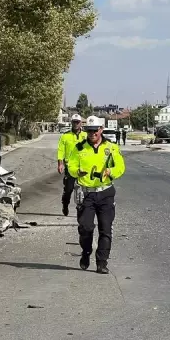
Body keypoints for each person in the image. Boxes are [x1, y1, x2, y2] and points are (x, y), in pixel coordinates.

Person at [67, 118, 126, 275]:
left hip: (105, 193)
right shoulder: (79, 148)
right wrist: (76, 172)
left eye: (95, 130)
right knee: (85, 227)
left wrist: (111, 172)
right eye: (89, 130)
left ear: (101, 129)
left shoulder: (111, 148)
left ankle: (102, 262)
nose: (92, 133)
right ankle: (86, 252)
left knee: (105, 229)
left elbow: (120, 166)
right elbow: (71, 165)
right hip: (86, 194)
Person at [57, 114, 87, 216]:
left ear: (81, 123)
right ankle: (65, 205)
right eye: (74, 122)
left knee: (86, 189)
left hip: (83, 167)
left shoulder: (86, 136)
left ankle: (84, 209)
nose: (75, 124)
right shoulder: (65, 136)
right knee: (68, 189)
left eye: (77, 122)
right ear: (71, 123)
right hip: (70, 167)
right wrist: (60, 164)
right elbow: (61, 150)